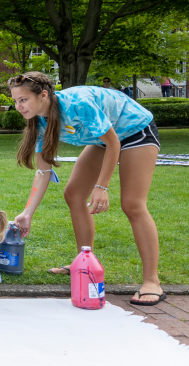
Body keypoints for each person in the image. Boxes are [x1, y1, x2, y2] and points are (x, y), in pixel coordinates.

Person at [9, 71, 165, 306]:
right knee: (74, 195)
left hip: (135, 132)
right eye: (15, 101)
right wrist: (27, 213)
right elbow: (43, 171)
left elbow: (114, 143)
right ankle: (84, 262)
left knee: (132, 204)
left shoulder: (78, 104)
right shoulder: (39, 120)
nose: (19, 107)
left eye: (23, 100)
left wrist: (102, 187)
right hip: (104, 139)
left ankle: (152, 282)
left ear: (42, 95)